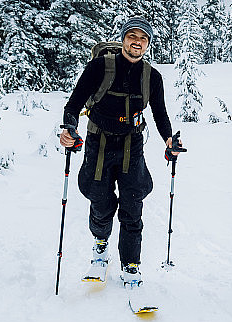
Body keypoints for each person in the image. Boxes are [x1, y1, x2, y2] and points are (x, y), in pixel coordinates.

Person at [59, 16, 180, 287]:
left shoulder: (152, 76)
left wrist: (168, 139)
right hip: (98, 142)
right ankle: (100, 245)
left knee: (132, 203)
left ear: (148, 44)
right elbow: (74, 103)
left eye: (143, 39)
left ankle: (131, 263)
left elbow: (160, 113)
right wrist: (69, 128)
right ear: (124, 38)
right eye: (132, 37)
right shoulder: (100, 66)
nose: (137, 43)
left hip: (131, 145)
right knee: (100, 200)